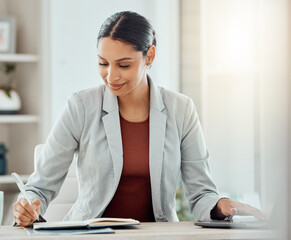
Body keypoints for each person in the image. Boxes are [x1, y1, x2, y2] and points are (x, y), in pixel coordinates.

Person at [13, 11, 268, 227]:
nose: (111, 76)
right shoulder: (80, 106)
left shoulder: (181, 109)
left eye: (124, 65)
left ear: (150, 56)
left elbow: (201, 193)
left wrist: (220, 206)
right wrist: (26, 206)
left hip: (157, 235)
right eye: (103, 63)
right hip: (90, 235)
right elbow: (39, 187)